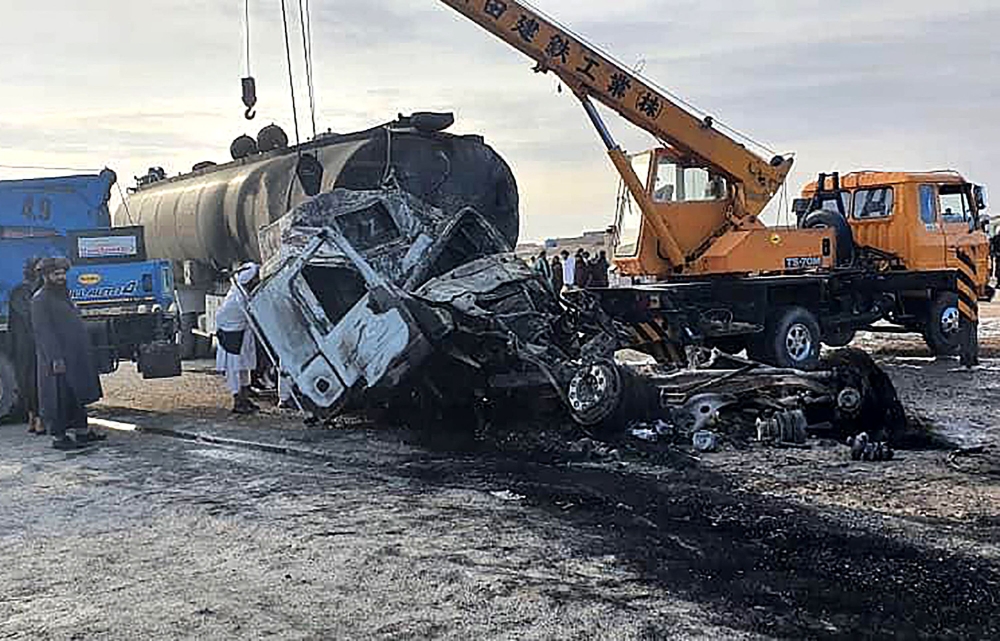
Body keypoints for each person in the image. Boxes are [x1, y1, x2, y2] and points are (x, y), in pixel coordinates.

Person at [31, 257, 105, 450]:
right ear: (46, 276)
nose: (61, 277)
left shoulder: (63, 295)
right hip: (57, 358)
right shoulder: (40, 299)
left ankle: (82, 432)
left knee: (76, 394)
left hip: (74, 356)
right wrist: (55, 358)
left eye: (63, 273)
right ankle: (59, 437)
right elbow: (43, 332)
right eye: (56, 274)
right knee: (59, 398)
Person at [215, 263, 260, 415]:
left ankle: (245, 397)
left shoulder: (239, 290)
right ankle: (238, 402)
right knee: (235, 369)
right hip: (231, 336)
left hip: (242, 333)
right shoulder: (240, 296)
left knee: (244, 367)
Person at [11, 257, 43, 434]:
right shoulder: (35, 292)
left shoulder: (18, 291)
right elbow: (31, 318)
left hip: (22, 343)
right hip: (31, 342)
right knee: (35, 381)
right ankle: (37, 419)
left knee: (27, 381)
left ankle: (33, 417)